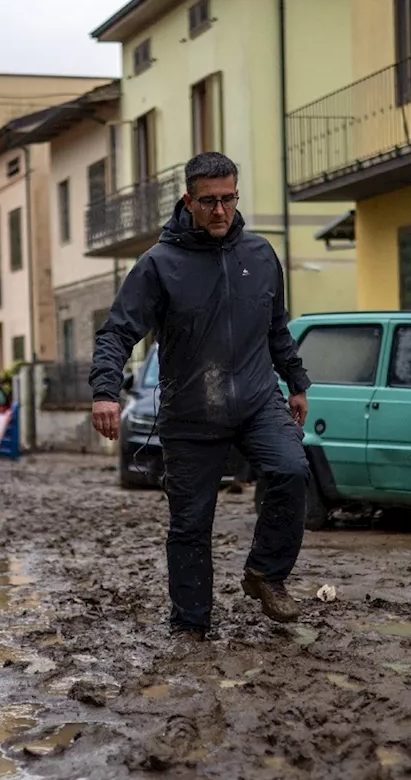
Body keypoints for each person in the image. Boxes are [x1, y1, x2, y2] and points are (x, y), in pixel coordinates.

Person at [90, 152, 312, 643]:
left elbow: (277, 328)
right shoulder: (158, 264)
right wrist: (106, 392)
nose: (220, 210)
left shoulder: (259, 255)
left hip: (257, 400)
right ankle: (190, 625)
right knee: (191, 523)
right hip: (190, 413)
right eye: (208, 201)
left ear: (236, 196)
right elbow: (116, 333)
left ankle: (265, 575)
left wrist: (296, 382)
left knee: (291, 471)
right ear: (188, 201)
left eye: (228, 199)